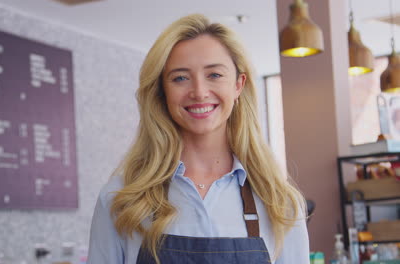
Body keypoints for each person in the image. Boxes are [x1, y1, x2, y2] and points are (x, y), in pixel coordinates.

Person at [88, 14, 310, 264]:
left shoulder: (280, 205)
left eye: (214, 75)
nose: (199, 92)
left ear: (239, 84)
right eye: (180, 78)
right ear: (162, 91)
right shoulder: (121, 199)